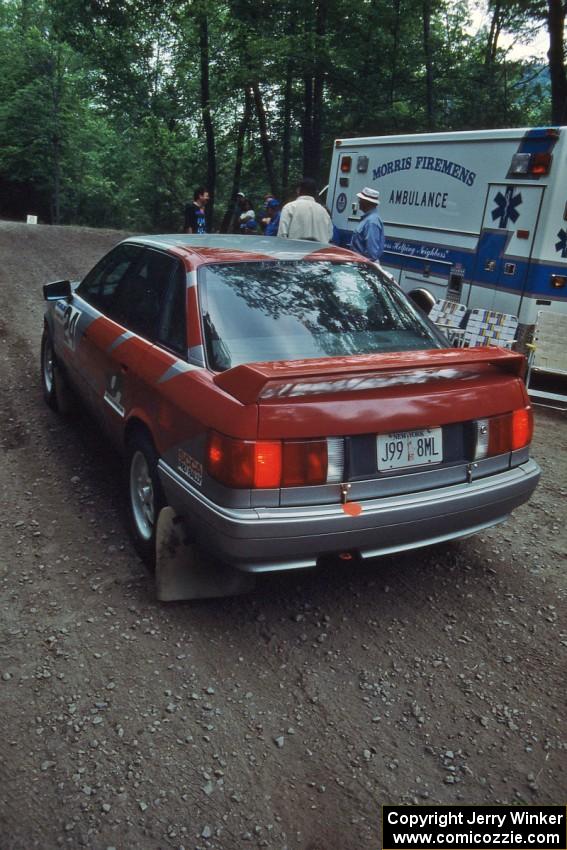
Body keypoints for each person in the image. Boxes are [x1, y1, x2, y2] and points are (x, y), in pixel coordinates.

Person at [277, 178, 332, 242]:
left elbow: (282, 235)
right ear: (315, 192)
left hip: (294, 250)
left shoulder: (290, 207)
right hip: (318, 251)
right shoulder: (324, 212)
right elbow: (330, 236)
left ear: (298, 190)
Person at [350, 187, 384, 261]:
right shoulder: (369, 219)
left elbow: (371, 253)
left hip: (363, 266)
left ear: (367, 202)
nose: (359, 202)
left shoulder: (372, 222)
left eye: (361, 200)